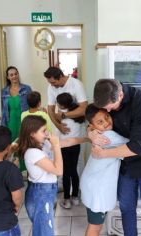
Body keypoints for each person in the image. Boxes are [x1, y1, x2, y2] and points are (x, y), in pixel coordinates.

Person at [90, 79, 141, 236]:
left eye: (109, 107)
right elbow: (91, 118)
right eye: (104, 108)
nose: (108, 112)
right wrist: (90, 132)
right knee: (126, 207)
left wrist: (104, 154)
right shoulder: (104, 97)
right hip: (125, 161)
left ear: (120, 95)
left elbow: (137, 147)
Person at [18, 115, 88, 236]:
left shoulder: (42, 144)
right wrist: (55, 146)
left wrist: (86, 138)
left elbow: (67, 142)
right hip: (40, 194)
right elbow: (59, 170)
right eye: (43, 131)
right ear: (32, 134)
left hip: (45, 191)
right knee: (44, 231)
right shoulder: (33, 153)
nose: (47, 133)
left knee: (43, 228)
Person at [44, 66, 88, 208]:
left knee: (75, 165)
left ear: (61, 76)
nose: (52, 86)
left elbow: (84, 108)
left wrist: (63, 115)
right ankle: (71, 195)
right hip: (62, 133)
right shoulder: (51, 87)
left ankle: (76, 193)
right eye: (50, 83)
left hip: (75, 135)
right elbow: (50, 110)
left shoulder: (76, 84)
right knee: (69, 167)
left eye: (54, 83)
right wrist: (59, 126)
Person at [56, 92, 85, 209]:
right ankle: (75, 198)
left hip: (64, 146)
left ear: (62, 105)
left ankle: (66, 200)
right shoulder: (79, 116)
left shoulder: (62, 116)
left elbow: (55, 117)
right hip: (76, 146)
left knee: (66, 173)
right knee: (74, 171)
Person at [1, 66, 32, 141]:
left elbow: (32, 105)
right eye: (11, 75)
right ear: (8, 77)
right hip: (10, 123)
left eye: (15, 74)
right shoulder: (4, 91)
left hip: (24, 122)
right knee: (11, 145)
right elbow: (3, 111)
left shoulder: (27, 88)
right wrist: (2, 126)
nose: (14, 76)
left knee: (24, 143)